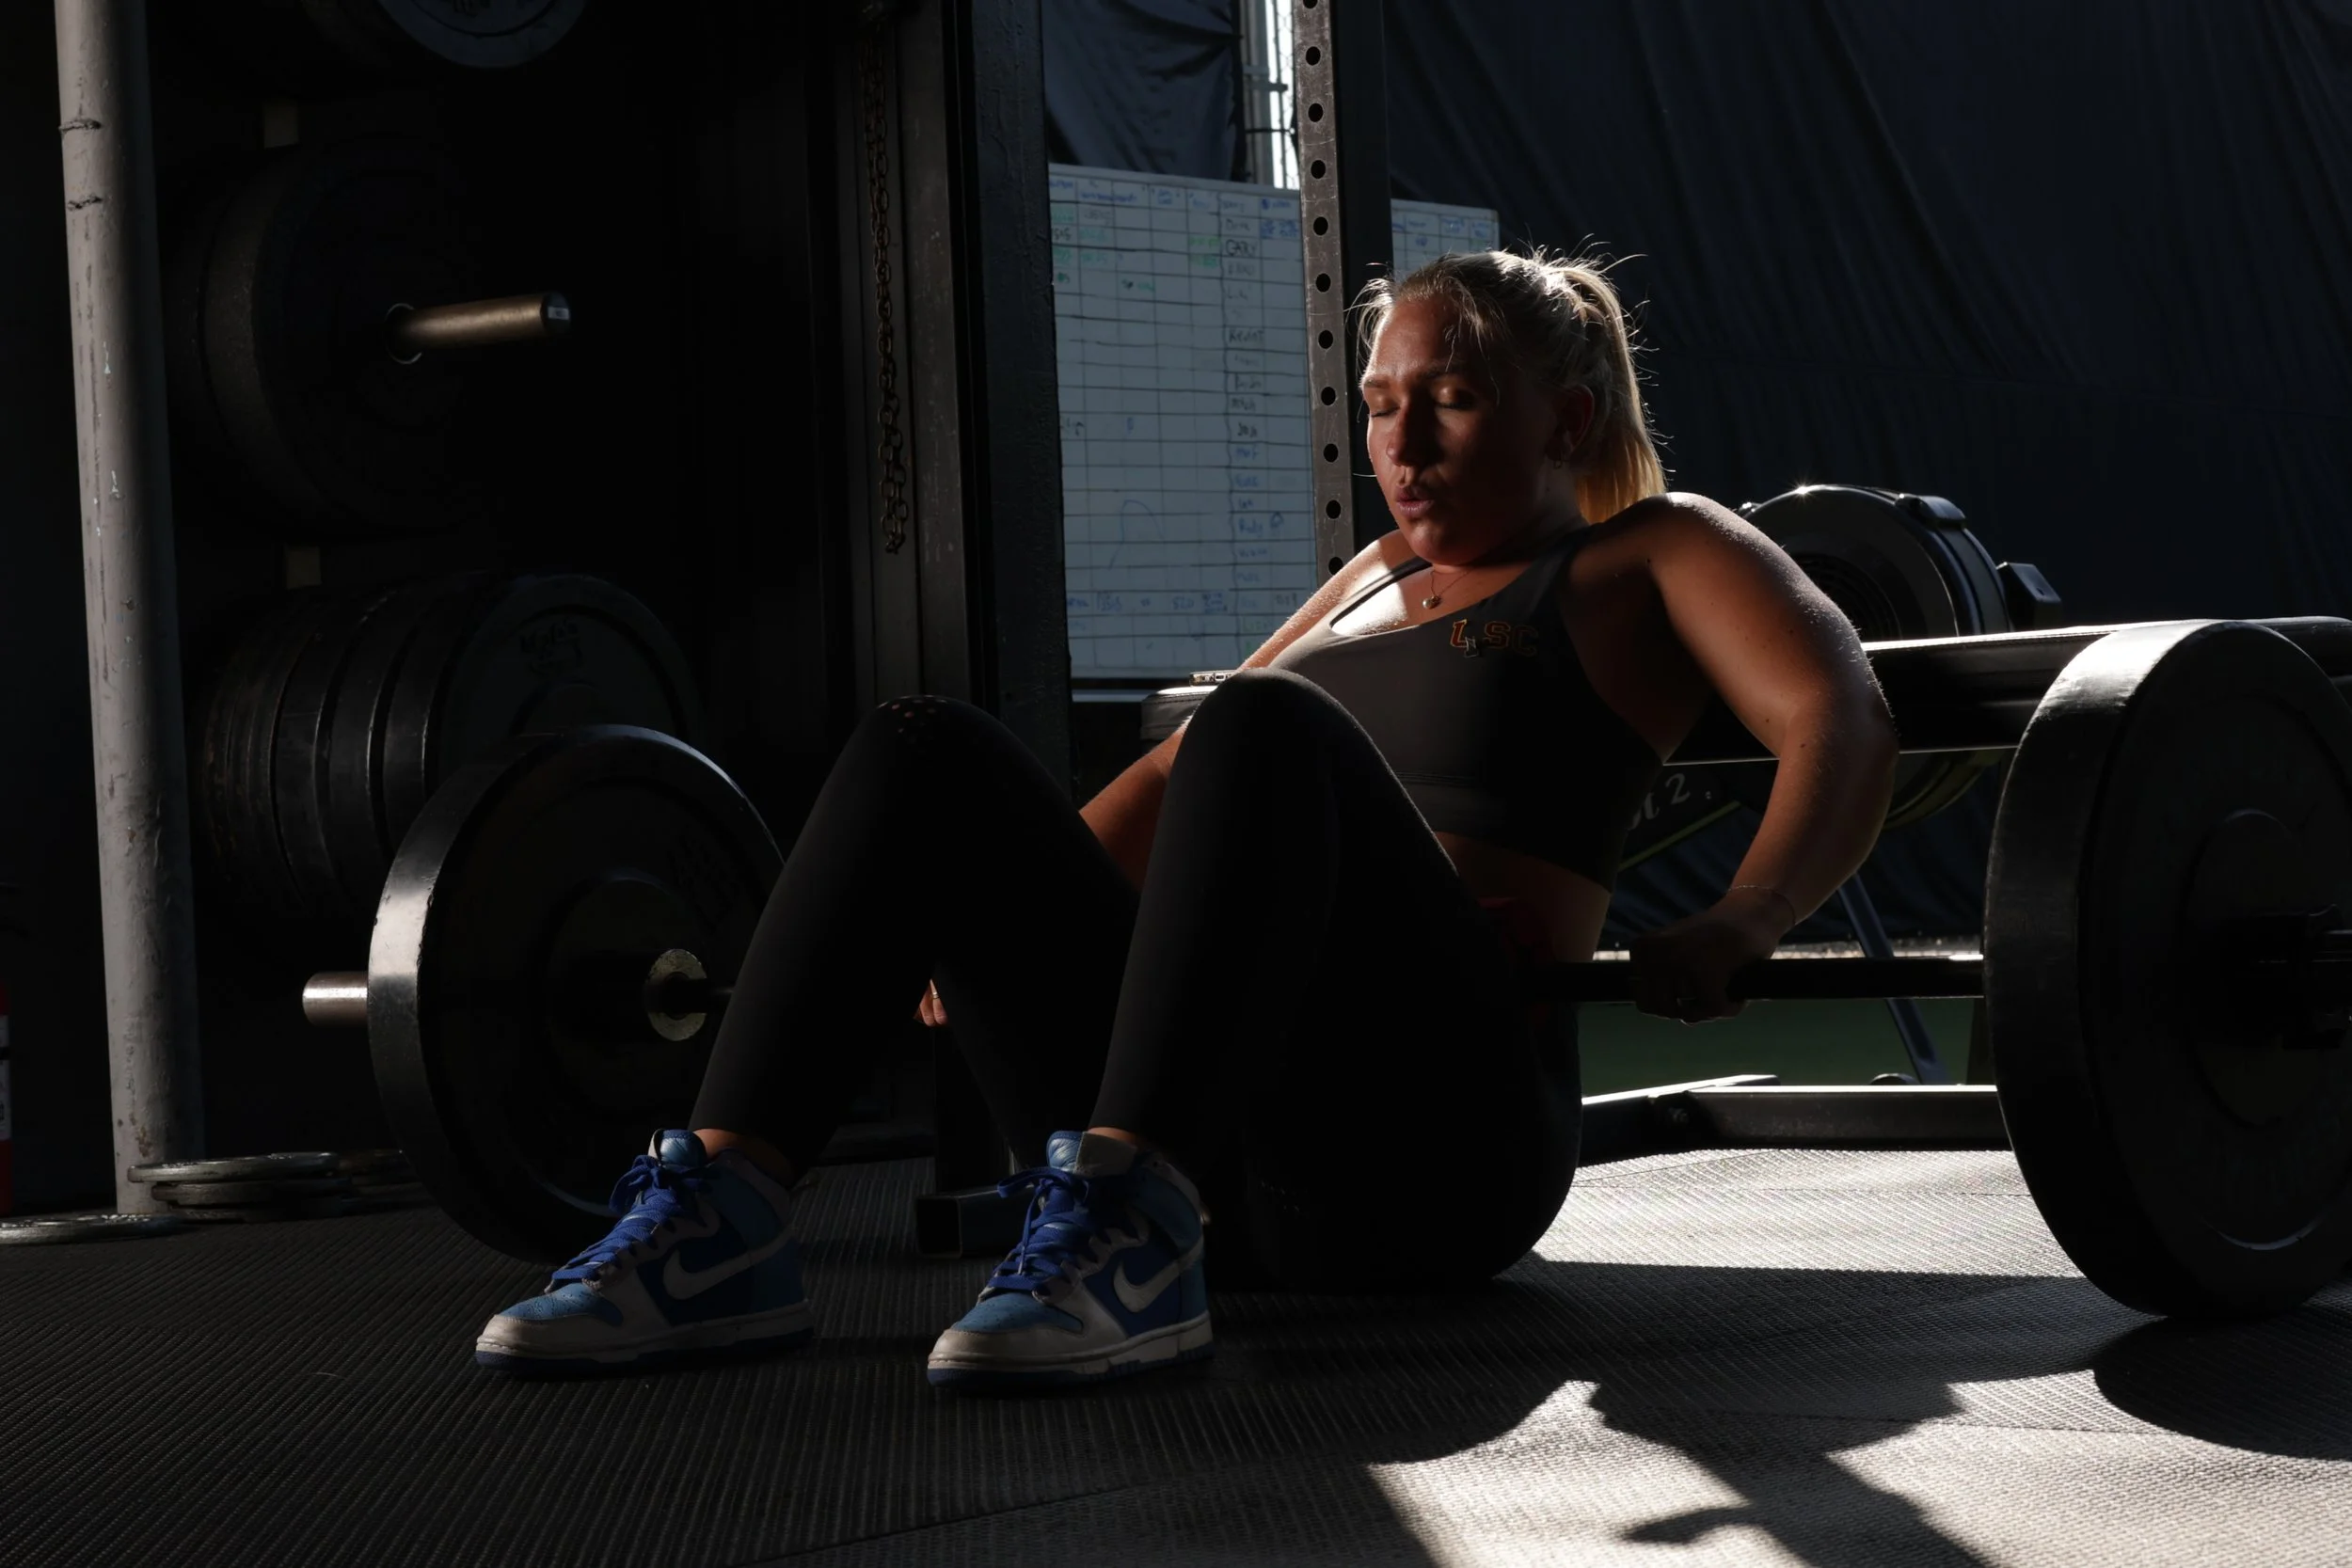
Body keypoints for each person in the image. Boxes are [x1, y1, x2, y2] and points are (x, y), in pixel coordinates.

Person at [472, 248, 1899, 1388]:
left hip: (1427, 1142)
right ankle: (724, 1226)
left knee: (1266, 720)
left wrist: (1746, 915)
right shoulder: (1367, 575)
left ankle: (1130, 1230)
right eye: (1382, 403)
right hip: (1224, 1146)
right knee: (926, 749)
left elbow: (1837, 714)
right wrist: (977, 924)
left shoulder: (1648, 554)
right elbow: (1174, 778)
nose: (1403, 442)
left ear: (1567, 421)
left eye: (1453, 400)